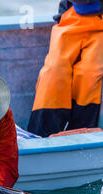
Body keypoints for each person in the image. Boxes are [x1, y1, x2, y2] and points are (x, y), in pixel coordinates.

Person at [27, 0, 103, 137]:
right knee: (53, 72)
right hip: (72, 15)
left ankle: (82, 136)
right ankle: (40, 136)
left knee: (90, 74)